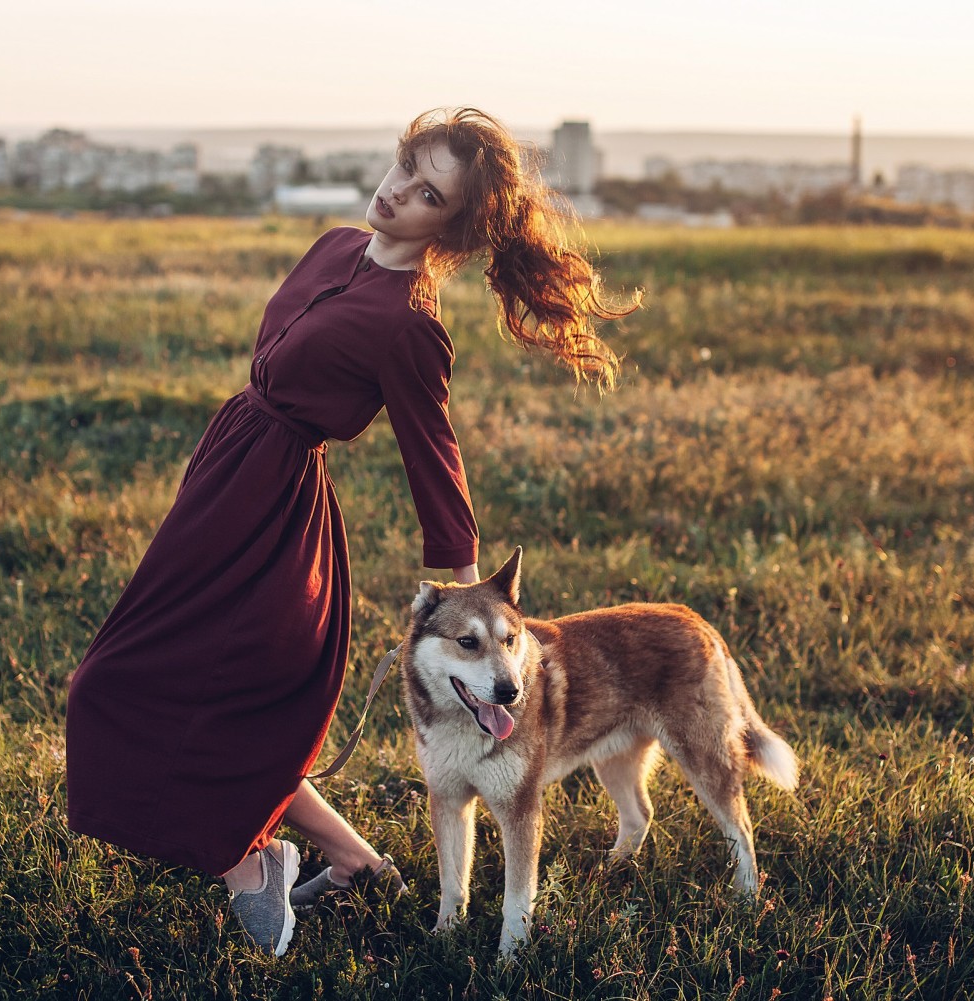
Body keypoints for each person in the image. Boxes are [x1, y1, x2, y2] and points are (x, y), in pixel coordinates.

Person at [65, 107, 638, 955]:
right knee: (155, 680)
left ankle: (250, 866)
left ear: (451, 225)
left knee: (129, 690)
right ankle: (356, 862)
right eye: (407, 166)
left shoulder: (411, 323)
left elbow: (433, 458)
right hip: (223, 479)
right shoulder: (335, 244)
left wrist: (462, 608)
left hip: (275, 520)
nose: (398, 190)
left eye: (427, 192)